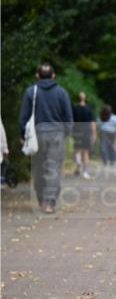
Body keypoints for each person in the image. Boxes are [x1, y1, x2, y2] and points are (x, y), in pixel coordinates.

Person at [19, 63, 73, 213]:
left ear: (37, 75)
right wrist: (66, 133)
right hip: (57, 134)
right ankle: (49, 203)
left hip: (37, 135)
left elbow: (23, 117)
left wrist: (23, 135)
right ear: (54, 75)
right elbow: (68, 117)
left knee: (38, 169)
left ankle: (41, 199)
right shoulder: (62, 93)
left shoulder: (31, 92)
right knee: (53, 169)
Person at [71, 92, 96, 179]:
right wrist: (94, 133)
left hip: (77, 131)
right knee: (85, 152)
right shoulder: (88, 109)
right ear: (84, 98)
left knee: (77, 150)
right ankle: (85, 172)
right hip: (86, 132)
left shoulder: (74, 108)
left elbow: (71, 121)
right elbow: (92, 122)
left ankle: (78, 162)